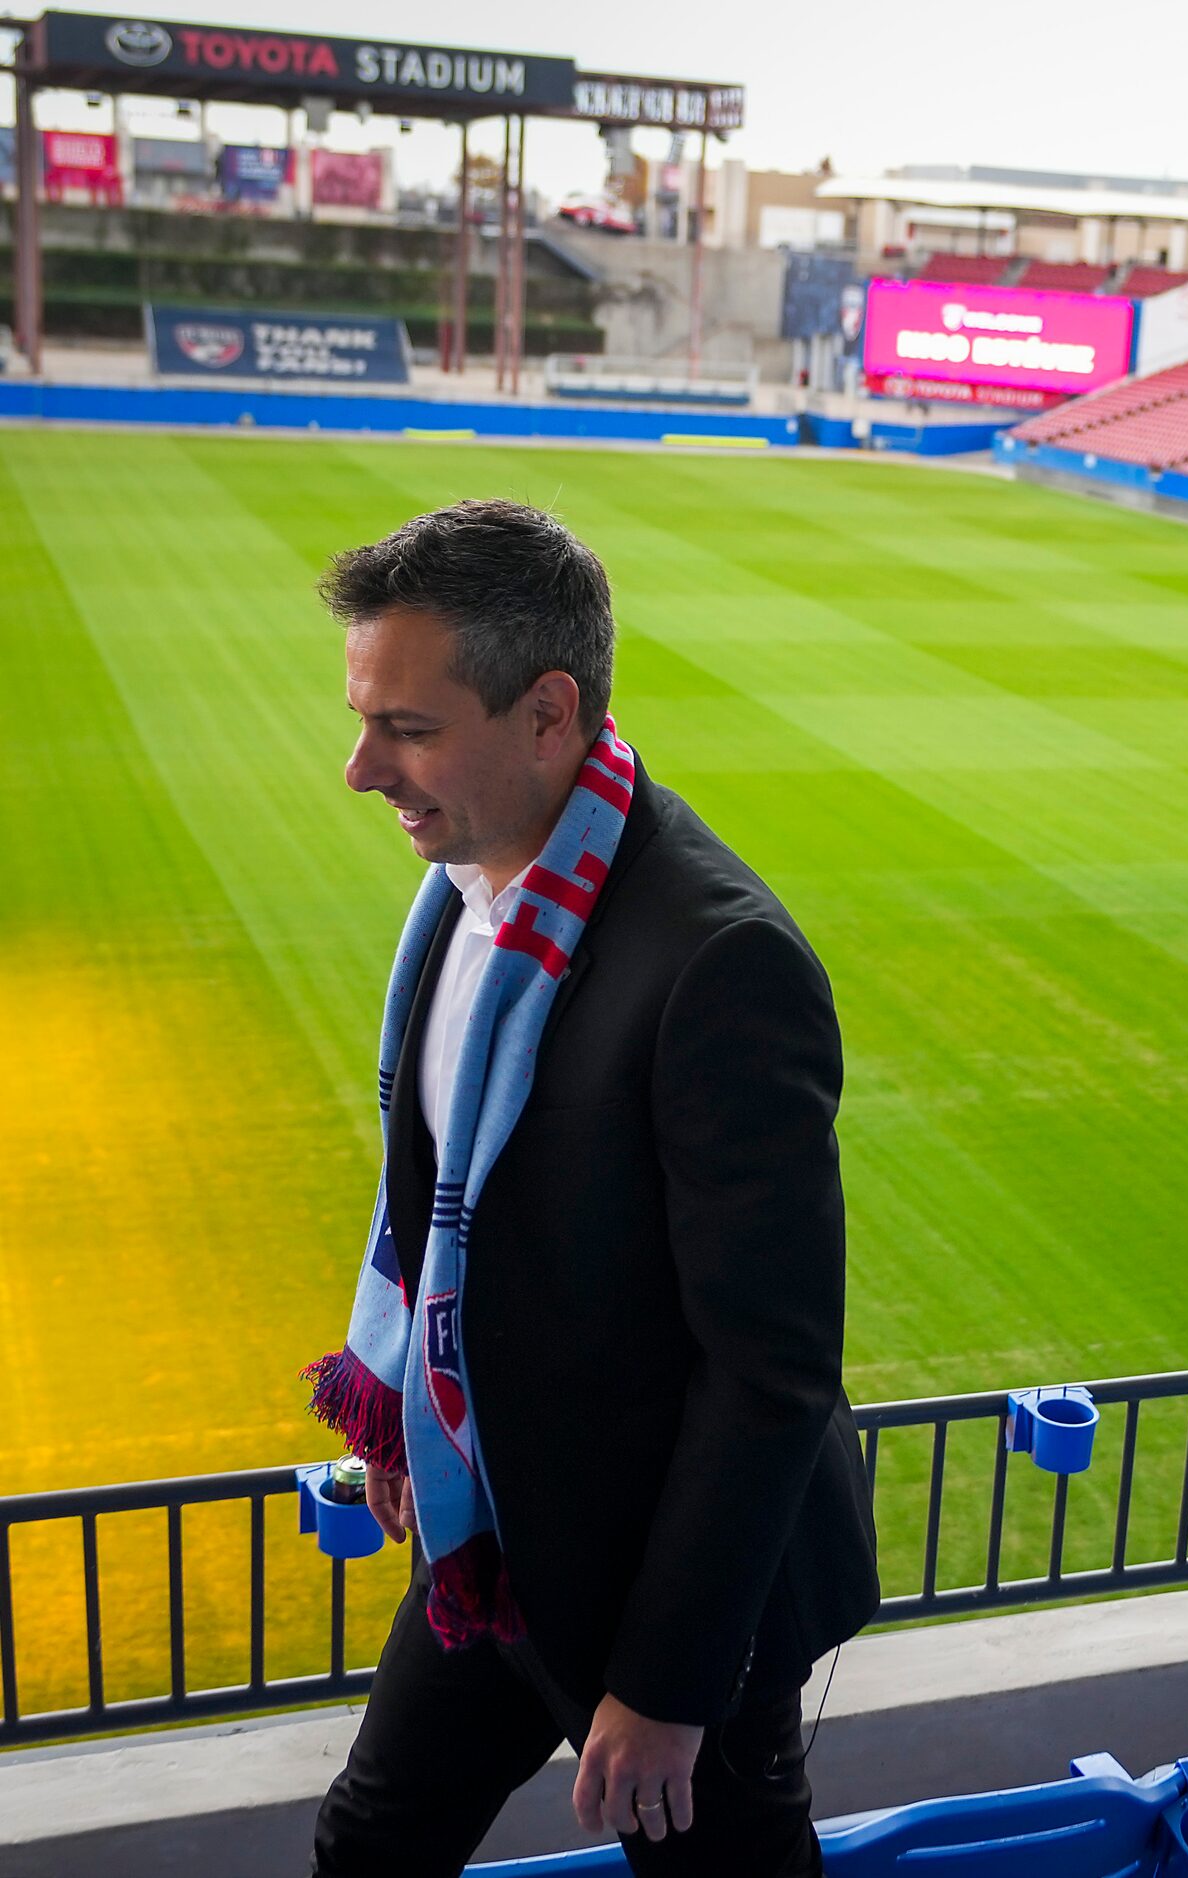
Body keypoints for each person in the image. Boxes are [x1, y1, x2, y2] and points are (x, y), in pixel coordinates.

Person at [306, 501, 878, 1875]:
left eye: (410, 727)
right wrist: (410, 1415)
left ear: (549, 713)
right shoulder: (463, 890)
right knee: (369, 1842)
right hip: (499, 1537)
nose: (360, 767)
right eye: (366, 718)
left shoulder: (718, 963)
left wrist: (672, 1681)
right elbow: (440, 1191)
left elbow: (773, 1370)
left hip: (675, 1604)